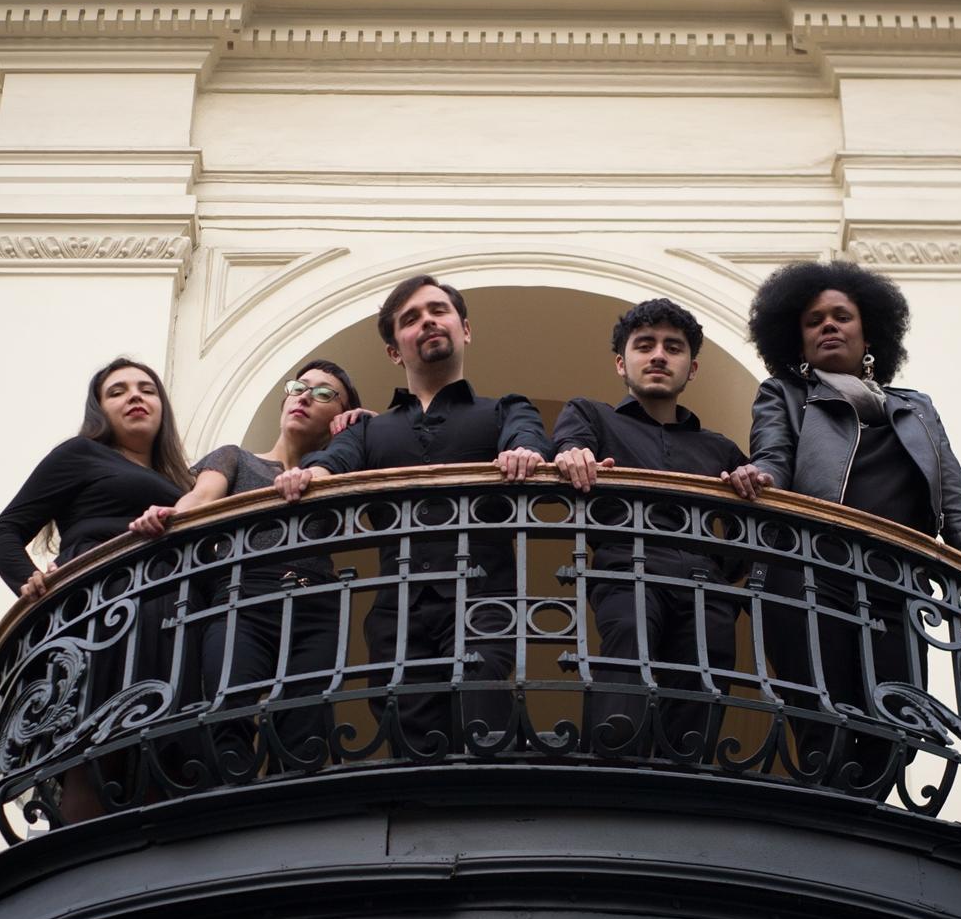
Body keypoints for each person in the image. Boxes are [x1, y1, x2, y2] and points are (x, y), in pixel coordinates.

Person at [722, 260, 961, 793]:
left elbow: (956, 506)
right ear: (797, 340)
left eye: (841, 316)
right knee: (825, 720)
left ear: (867, 331)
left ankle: (866, 818)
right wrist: (760, 475)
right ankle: (834, 830)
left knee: (896, 727)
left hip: (895, 586)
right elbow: (774, 455)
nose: (828, 325)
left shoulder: (917, 409)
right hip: (808, 576)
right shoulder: (785, 394)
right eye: (814, 319)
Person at [274, 274, 553, 753]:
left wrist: (524, 452)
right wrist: (311, 476)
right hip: (396, 606)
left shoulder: (505, 410)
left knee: (480, 696)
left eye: (438, 311)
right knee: (405, 720)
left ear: (465, 329)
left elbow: (528, 440)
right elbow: (330, 464)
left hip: (484, 593)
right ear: (394, 350)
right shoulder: (367, 432)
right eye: (411, 319)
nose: (427, 322)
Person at [129, 360, 368, 779]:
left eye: (325, 393)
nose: (305, 396)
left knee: (304, 724)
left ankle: (294, 821)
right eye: (299, 386)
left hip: (316, 604)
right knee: (228, 710)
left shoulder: (340, 470)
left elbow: (390, 453)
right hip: (242, 598)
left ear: (339, 417)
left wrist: (366, 423)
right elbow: (201, 498)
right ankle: (231, 818)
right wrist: (170, 513)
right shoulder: (235, 458)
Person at [0, 356, 195, 819]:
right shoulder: (79, 455)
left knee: (159, 746)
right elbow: (2, 534)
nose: (135, 396)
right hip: (108, 607)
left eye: (147, 389)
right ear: (100, 409)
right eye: (117, 391)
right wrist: (29, 580)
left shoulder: (186, 482)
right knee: (100, 740)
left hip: (171, 609)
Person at [552, 298, 748, 760]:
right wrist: (571, 454)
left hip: (704, 581)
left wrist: (721, 567)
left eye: (673, 347)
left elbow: (754, 529)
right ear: (622, 363)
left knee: (707, 676)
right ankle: (611, 770)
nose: (659, 355)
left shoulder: (719, 448)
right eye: (645, 345)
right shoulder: (592, 415)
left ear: (691, 368)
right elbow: (569, 447)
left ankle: (683, 783)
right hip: (627, 564)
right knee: (626, 657)